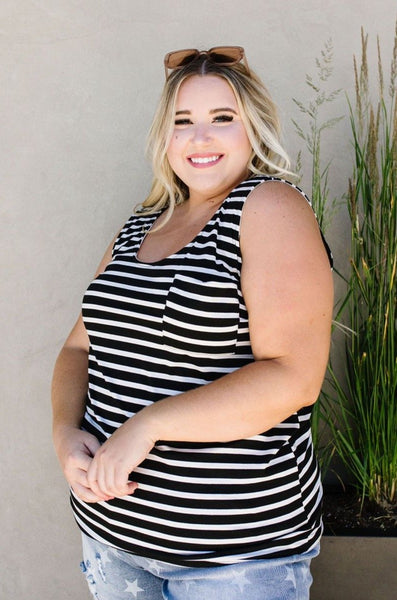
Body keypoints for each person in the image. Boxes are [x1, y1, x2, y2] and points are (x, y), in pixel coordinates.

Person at [52, 46, 334, 600]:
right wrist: (66, 435)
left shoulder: (268, 206)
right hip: (113, 541)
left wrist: (147, 425)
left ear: (253, 128)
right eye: (183, 121)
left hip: (235, 558)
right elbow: (77, 351)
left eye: (222, 119)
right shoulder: (142, 224)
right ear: (165, 136)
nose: (199, 138)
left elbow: (294, 377)